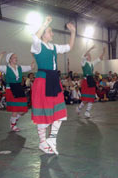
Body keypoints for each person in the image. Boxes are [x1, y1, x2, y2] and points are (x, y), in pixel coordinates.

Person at [31, 16, 76, 155]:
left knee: (60, 112)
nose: (52, 33)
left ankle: (51, 138)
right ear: (44, 33)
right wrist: (45, 23)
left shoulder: (54, 47)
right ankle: (43, 143)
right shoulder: (38, 47)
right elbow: (34, 37)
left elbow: (69, 47)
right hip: (43, 81)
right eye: (50, 31)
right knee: (44, 113)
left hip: (53, 80)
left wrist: (73, 32)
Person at [0, 51, 34, 131]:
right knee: (15, 109)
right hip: (10, 89)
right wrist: (1, 56)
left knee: (24, 110)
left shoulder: (20, 67)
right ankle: (13, 125)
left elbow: (31, 67)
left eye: (16, 57)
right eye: (14, 57)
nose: (16, 59)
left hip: (19, 88)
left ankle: (14, 119)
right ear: (10, 60)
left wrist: (34, 57)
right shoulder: (6, 68)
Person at [76, 46, 106, 118]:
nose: (90, 55)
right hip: (86, 81)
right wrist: (91, 49)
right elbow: (83, 55)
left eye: (90, 55)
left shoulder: (92, 63)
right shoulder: (83, 62)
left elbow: (100, 58)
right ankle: (79, 108)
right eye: (88, 55)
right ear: (86, 57)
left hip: (91, 80)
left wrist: (104, 52)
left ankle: (87, 112)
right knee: (86, 98)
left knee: (91, 97)